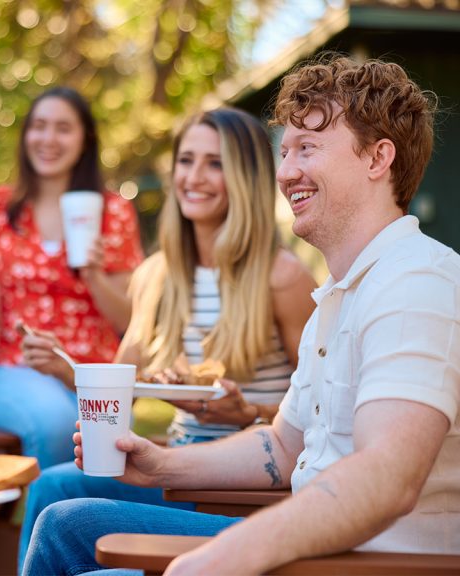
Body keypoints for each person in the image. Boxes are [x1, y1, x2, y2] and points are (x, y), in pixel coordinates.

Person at [22, 55, 460, 575]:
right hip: (313, 542)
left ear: (377, 159)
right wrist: (163, 463)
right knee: (63, 521)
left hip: (360, 561)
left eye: (308, 148)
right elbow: (281, 443)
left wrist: (222, 557)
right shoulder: (339, 296)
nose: (286, 171)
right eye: (285, 150)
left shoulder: (416, 283)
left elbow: (388, 478)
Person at [17, 106, 317, 570]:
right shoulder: (156, 275)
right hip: (176, 464)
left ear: (247, 177)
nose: (193, 177)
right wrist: (67, 369)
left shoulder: (282, 276)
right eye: (186, 160)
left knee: (67, 516)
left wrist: (249, 412)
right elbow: (123, 396)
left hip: (246, 484)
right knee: (50, 485)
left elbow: (321, 408)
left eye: (215, 163)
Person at [0, 86, 144, 468]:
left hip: (89, 376)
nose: (48, 139)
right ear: (25, 136)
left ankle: (81, 528)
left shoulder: (112, 212)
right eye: (39, 127)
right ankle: (43, 530)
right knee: (55, 427)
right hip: (16, 367)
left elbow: (129, 320)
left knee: (110, 449)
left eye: (63, 128)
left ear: (85, 140)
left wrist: (94, 276)